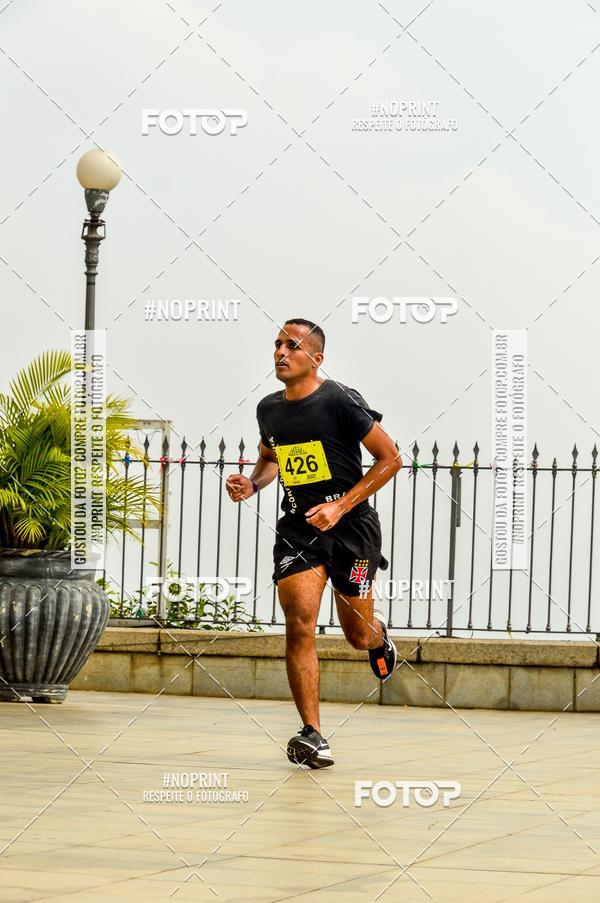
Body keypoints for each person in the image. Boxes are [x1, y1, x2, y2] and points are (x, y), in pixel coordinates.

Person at [226, 318, 402, 768]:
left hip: (352, 530)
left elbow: (391, 459)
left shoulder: (339, 400)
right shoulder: (269, 408)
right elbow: (271, 458)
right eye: (278, 344)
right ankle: (313, 733)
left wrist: (340, 506)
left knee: (356, 634)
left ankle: (379, 638)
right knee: (299, 622)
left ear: (316, 358)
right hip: (300, 531)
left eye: (293, 346)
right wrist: (253, 483)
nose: (281, 352)